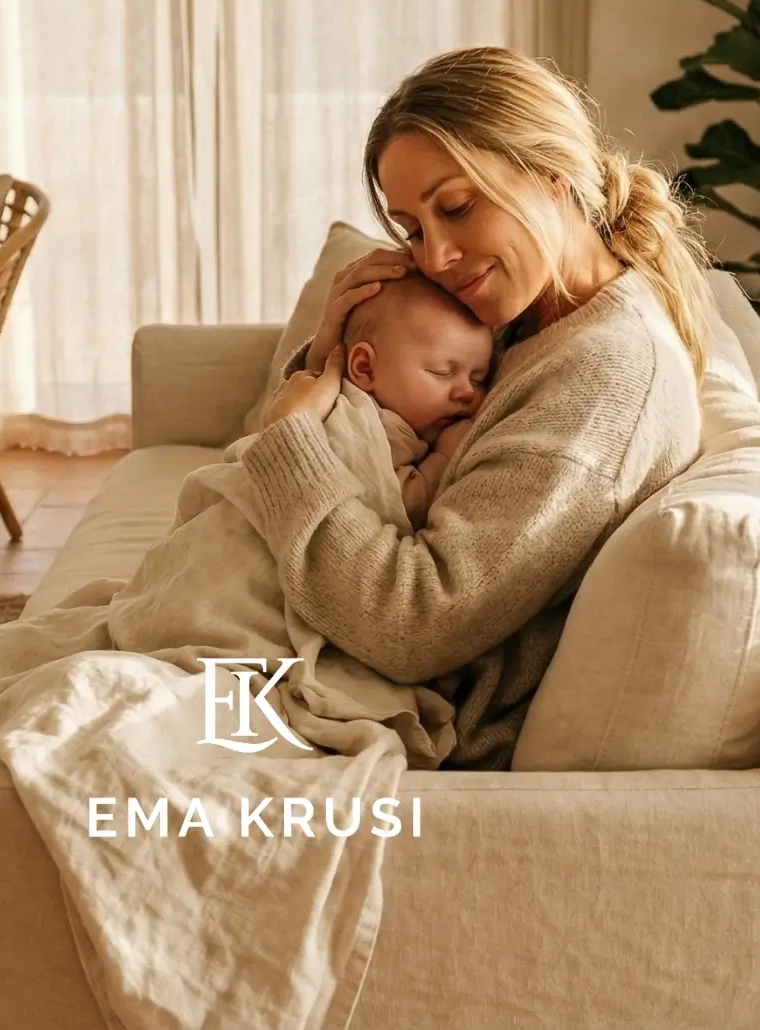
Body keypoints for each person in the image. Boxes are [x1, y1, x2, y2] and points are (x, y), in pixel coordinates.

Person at [241, 45, 710, 770]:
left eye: (457, 208)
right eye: (413, 229)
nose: (434, 257)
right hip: (314, 645)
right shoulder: (522, 313)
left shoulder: (604, 377)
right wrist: (329, 354)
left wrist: (290, 442)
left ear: (552, 174)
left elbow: (411, 621)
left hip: (406, 717)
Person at [336, 272, 494, 522]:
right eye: (441, 372)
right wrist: (443, 459)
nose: (467, 391)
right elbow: (395, 511)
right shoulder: (363, 428)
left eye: (478, 379)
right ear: (365, 368)